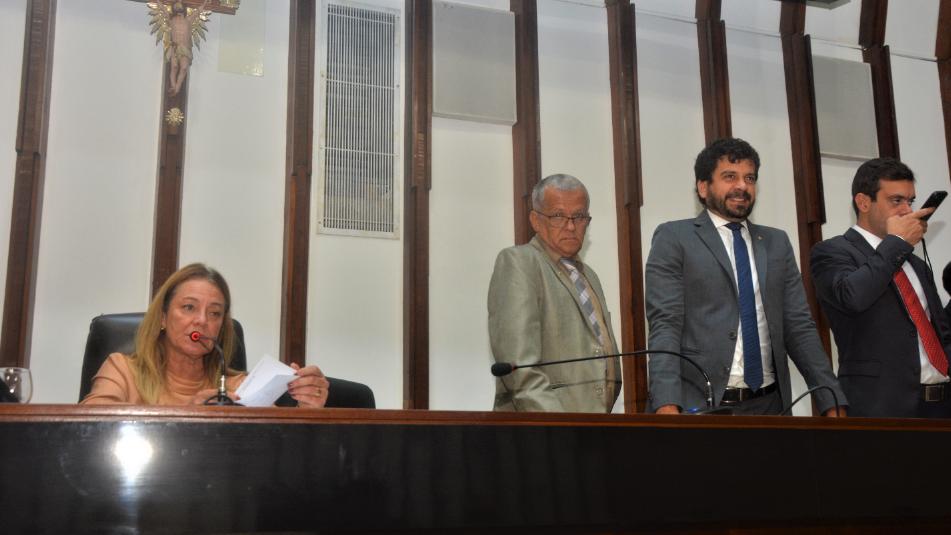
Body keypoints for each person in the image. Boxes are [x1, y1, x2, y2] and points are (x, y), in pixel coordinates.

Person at [645, 138, 846, 416]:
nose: (742, 186)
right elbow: (665, 323)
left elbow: (799, 326)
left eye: (749, 178)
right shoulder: (674, 237)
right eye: (730, 177)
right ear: (703, 187)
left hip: (770, 405)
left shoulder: (776, 242)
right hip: (700, 406)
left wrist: (831, 400)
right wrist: (666, 404)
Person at [811, 158, 951, 418]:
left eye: (910, 201)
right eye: (896, 201)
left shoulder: (916, 264)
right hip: (881, 406)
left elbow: (940, 333)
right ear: (863, 202)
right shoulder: (832, 252)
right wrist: (897, 242)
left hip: (940, 405)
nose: (907, 210)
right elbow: (853, 297)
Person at [81, 263, 329, 407]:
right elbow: (88, 431)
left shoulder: (239, 388)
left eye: (214, 313)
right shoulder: (123, 371)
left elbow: (280, 449)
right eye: (189, 307)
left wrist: (308, 410)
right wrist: (189, 418)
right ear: (163, 318)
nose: (202, 320)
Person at [488, 174, 621, 413]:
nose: (570, 226)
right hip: (545, 429)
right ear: (536, 220)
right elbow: (521, 371)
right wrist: (561, 427)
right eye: (558, 216)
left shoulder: (589, 276)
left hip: (596, 426)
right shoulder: (520, 262)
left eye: (579, 216)